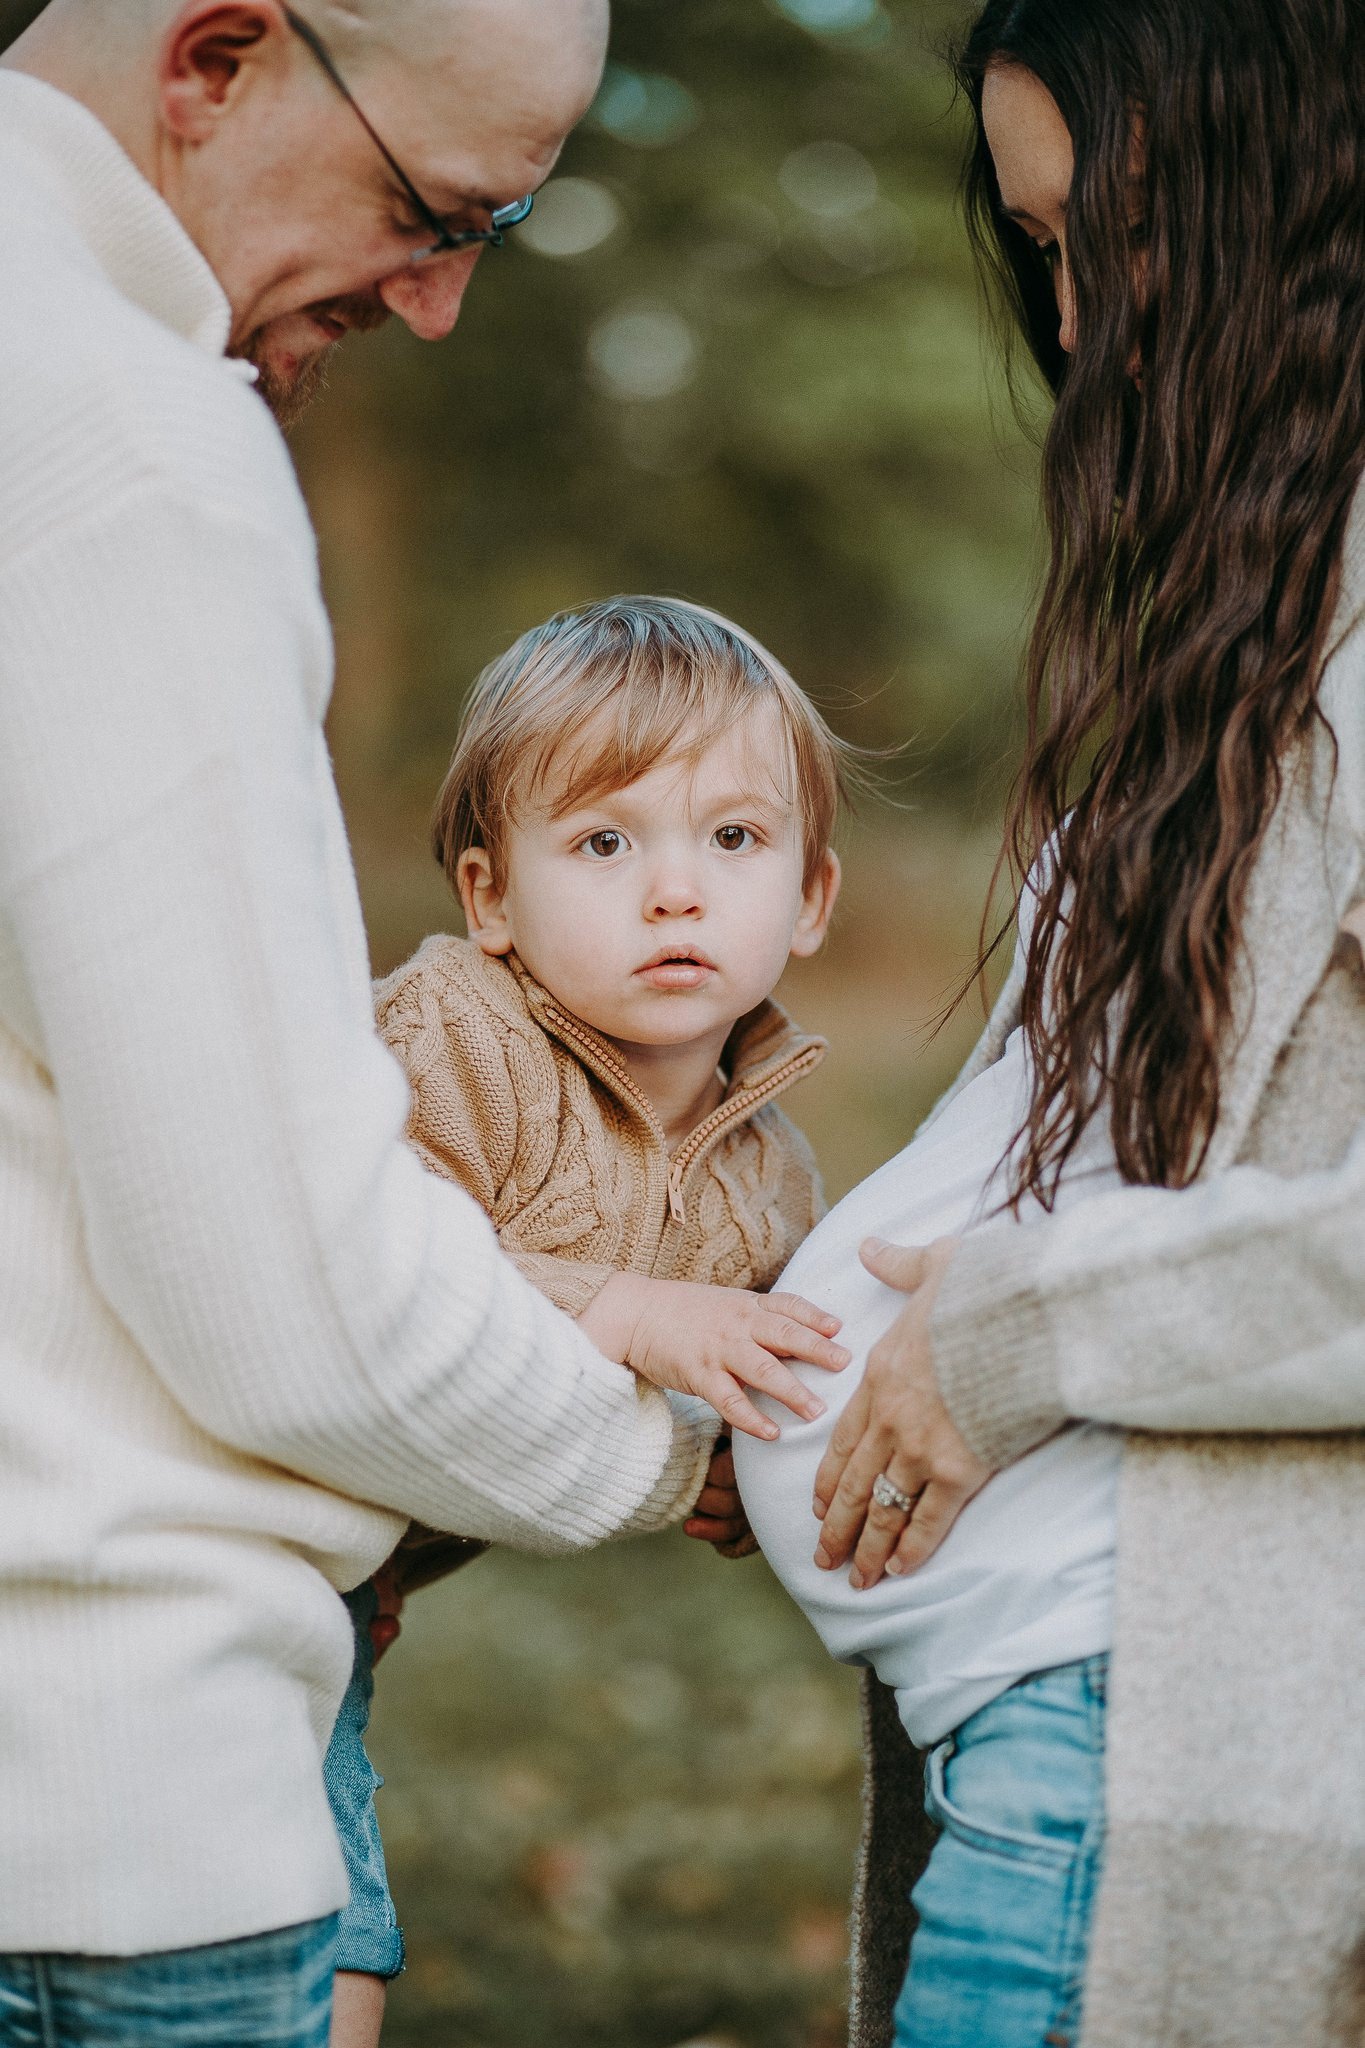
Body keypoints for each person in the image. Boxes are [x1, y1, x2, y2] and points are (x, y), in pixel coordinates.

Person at [0, 4, 835, 2040]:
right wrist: (674, 1464)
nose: (442, 305)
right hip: (98, 1786)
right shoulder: (128, 452)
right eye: (426, 210)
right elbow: (288, 1293)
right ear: (214, 63)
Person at [736, 1, 1365, 2044]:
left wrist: (1005, 1330)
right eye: (1041, 255)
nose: (1080, 328)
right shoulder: (1257, 616)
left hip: (1167, 1742)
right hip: (1040, 1721)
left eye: (1105, 234)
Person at [328, 594, 852, 2045]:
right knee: (310, 1947)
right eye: (605, 843)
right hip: (226, 1540)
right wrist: (621, 1309)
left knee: (324, 1936)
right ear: (490, 896)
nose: (674, 892)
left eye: (733, 841)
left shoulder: (769, 1174)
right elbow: (352, 1268)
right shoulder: (442, 1043)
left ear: (810, 893)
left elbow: (764, 1373)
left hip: (355, 1595)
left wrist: (755, 1463)